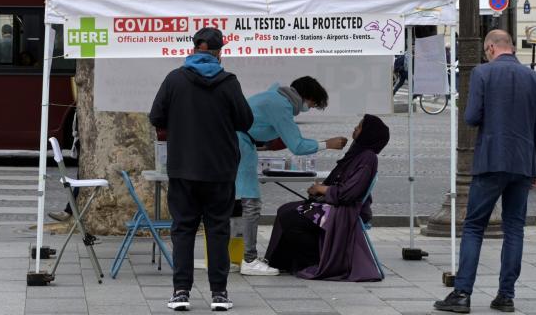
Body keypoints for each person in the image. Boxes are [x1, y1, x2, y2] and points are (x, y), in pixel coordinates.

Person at [434, 30, 536, 314]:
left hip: (491, 162)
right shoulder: (534, 78)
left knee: (473, 226)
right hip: (523, 163)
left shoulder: (483, 73)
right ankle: (506, 296)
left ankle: (462, 294)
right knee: (514, 229)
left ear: (491, 48)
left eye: (486, 51)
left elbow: (471, 117)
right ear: (511, 48)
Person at [150, 27, 253, 312]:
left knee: (183, 230)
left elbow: (155, 116)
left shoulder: (175, 79)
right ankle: (219, 294)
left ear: (194, 48)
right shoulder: (229, 82)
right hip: (220, 170)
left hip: (183, 168)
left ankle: (181, 292)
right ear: (220, 52)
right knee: (218, 230)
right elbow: (245, 121)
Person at [234, 77, 347, 276]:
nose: (309, 108)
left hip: (238, 143)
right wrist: (327, 144)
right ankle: (249, 259)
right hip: (239, 145)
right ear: (308, 97)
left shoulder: (273, 95)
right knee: (250, 203)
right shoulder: (282, 106)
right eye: (312, 104)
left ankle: (229, 257)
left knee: (232, 202)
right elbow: (297, 145)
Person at [264, 115, 389, 281]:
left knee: (291, 217)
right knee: (285, 210)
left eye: (358, 127)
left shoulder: (367, 157)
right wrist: (319, 190)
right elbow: (339, 181)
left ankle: (314, 259)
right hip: (335, 205)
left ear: (368, 133)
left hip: (345, 210)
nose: (354, 129)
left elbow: (349, 193)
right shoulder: (357, 153)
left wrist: (322, 189)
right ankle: (283, 262)